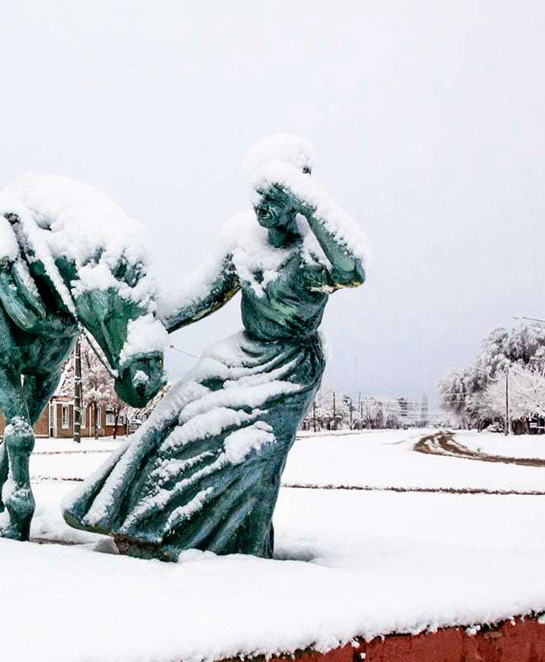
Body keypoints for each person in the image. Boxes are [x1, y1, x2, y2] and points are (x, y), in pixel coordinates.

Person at [63, 135, 367, 560]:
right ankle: (145, 527)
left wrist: (310, 199)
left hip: (290, 364)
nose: (261, 205)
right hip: (239, 354)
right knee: (174, 421)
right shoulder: (241, 238)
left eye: (274, 195)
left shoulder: (314, 247)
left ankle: (234, 551)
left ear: (297, 197)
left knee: (252, 452)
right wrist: (129, 321)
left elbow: (353, 269)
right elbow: (197, 298)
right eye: (257, 193)